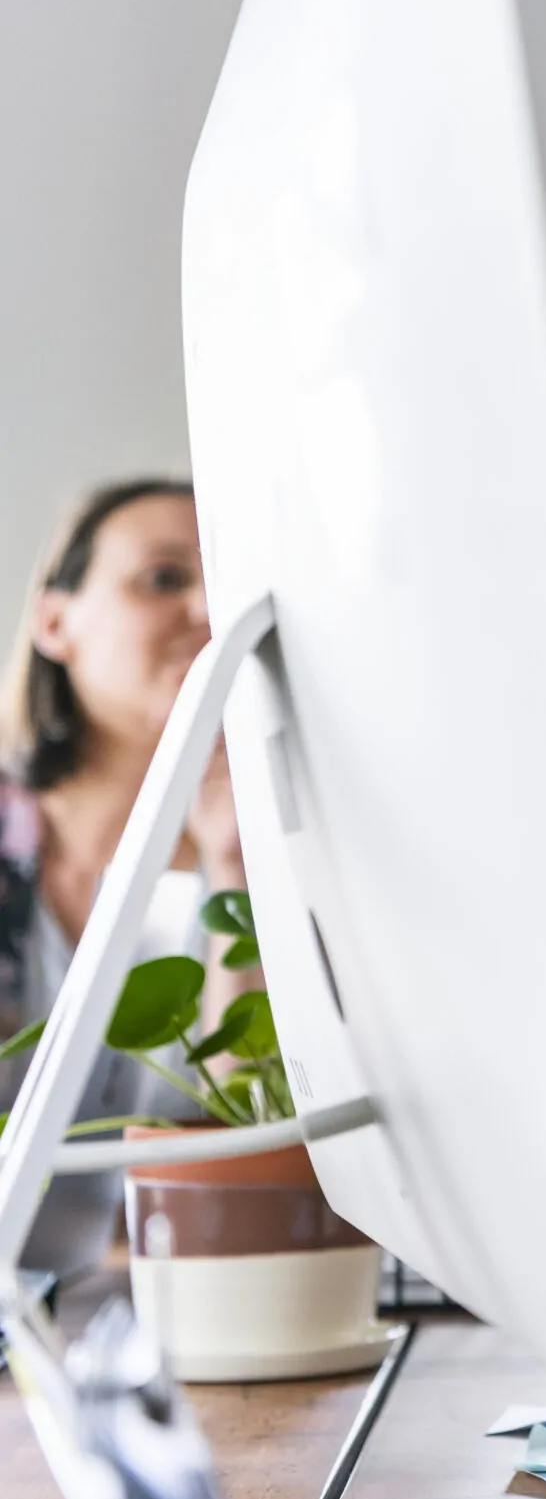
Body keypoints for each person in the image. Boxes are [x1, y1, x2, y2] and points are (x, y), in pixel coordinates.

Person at [0, 479, 251, 1272]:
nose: (208, 611)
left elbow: (248, 1146)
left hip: (190, 1318)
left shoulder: (254, 864)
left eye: (227, 582)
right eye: (165, 577)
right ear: (54, 621)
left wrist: (237, 865)